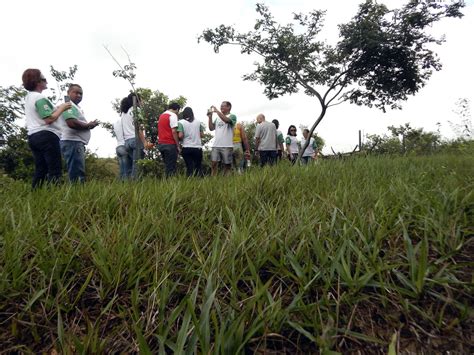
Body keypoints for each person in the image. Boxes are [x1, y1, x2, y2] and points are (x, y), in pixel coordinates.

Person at [22, 68, 71, 188]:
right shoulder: (39, 98)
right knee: (54, 169)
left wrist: (56, 108)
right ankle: (55, 197)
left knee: (41, 169)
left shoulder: (29, 97)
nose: (47, 81)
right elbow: (48, 119)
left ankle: (36, 195)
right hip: (46, 135)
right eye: (44, 79)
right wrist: (62, 108)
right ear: (37, 81)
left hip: (33, 136)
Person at [59, 84, 99, 183]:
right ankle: (76, 195)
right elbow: (71, 122)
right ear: (68, 93)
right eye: (76, 93)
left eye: (81, 94)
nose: (79, 95)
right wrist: (88, 125)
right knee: (77, 173)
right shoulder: (68, 105)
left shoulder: (75, 107)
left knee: (75, 170)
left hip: (74, 141)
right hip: (72, 141)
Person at [121, 93, 147, 178]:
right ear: (137, 100)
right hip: (136, 140)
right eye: (141, 99)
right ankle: (137, 187)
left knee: (129, 169)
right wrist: (144, 142)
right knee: (137, 168)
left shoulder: (124, 112)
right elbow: (139, 128)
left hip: (127, 141)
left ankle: (129, 188)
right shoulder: (136, 110)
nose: (142, 102)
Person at [208, 101, 236, 176]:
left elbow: (227, 120)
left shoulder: (232, 116)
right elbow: (211, 128)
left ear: (229, 107)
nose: (221, 107)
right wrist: (210, 117)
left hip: (227, 145)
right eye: (221, 106)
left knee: (227, 165)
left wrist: (217, 111)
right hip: (216, 145)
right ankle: (213, 180)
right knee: (213, 164)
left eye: (223, 106)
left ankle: (226, 181)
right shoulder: (217, 118)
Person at [177, 107, 203, 177]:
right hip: (197, 147)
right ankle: (200, 182)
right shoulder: (198, 122)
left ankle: (190, 182)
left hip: (186, 147)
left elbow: (180, 135)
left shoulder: (180, 122)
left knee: (189, 167)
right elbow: (201, 135)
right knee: (198, 167)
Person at [158, 102, 181, 177]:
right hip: (170, 144)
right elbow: (174, 131)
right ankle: (170, 185)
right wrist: (178, 145)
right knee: (171, 168)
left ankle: (165, 184)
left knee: (167, 166)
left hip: (161, 144)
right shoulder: (173, 115)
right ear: (177, 109)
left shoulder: (162, 115)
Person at [113, 114, 132, 180]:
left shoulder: (116, 122)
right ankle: (127, 187)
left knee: (122, 171)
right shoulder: (124, 121)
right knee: (128, 171)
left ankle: (121, 186)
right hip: (124, 146)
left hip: (118, 146)